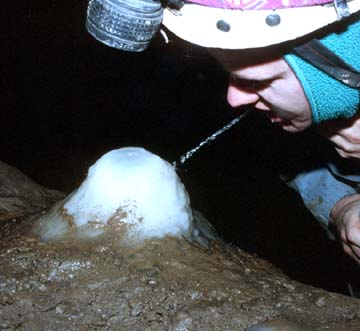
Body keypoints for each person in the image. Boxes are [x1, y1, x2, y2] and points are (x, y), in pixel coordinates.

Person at [160, 0, 360, 268]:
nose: (233, 99)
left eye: (258, 81)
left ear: (342, 72)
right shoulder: (296, 119)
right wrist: (341, 205)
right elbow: (294, 156)